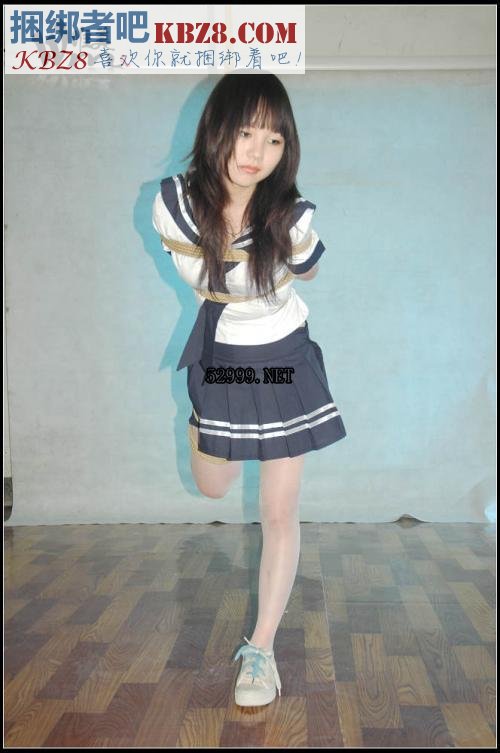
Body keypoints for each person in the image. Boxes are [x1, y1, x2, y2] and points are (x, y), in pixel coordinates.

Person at [152, 72, 347, 707]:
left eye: (273, 139)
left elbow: (309, 272)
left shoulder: (289, 215)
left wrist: (279, 237)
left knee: (279, 512)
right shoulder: (174, 204)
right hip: (225, 359)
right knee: (213, 485)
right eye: (245, 132)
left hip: (283, 357)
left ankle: (261, 650)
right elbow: (198, 270)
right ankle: (205, 425)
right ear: (218, 131)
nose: (256, 152)